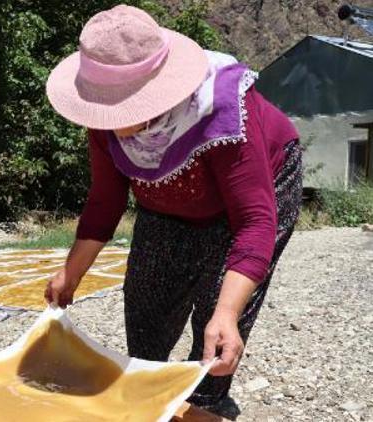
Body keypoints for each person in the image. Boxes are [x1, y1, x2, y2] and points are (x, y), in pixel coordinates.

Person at [43, 6, 301, 419]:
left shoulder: (224, 109)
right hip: (165, 203)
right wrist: (71, 272)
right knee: (147, 305)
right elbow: (105, 201)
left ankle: (206, 401)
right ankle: (153, 393)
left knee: (214, 326)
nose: (114, 122)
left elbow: (254, 221)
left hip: (250, 196)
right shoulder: (103, 118)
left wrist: (228, 313)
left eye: (127, 106)